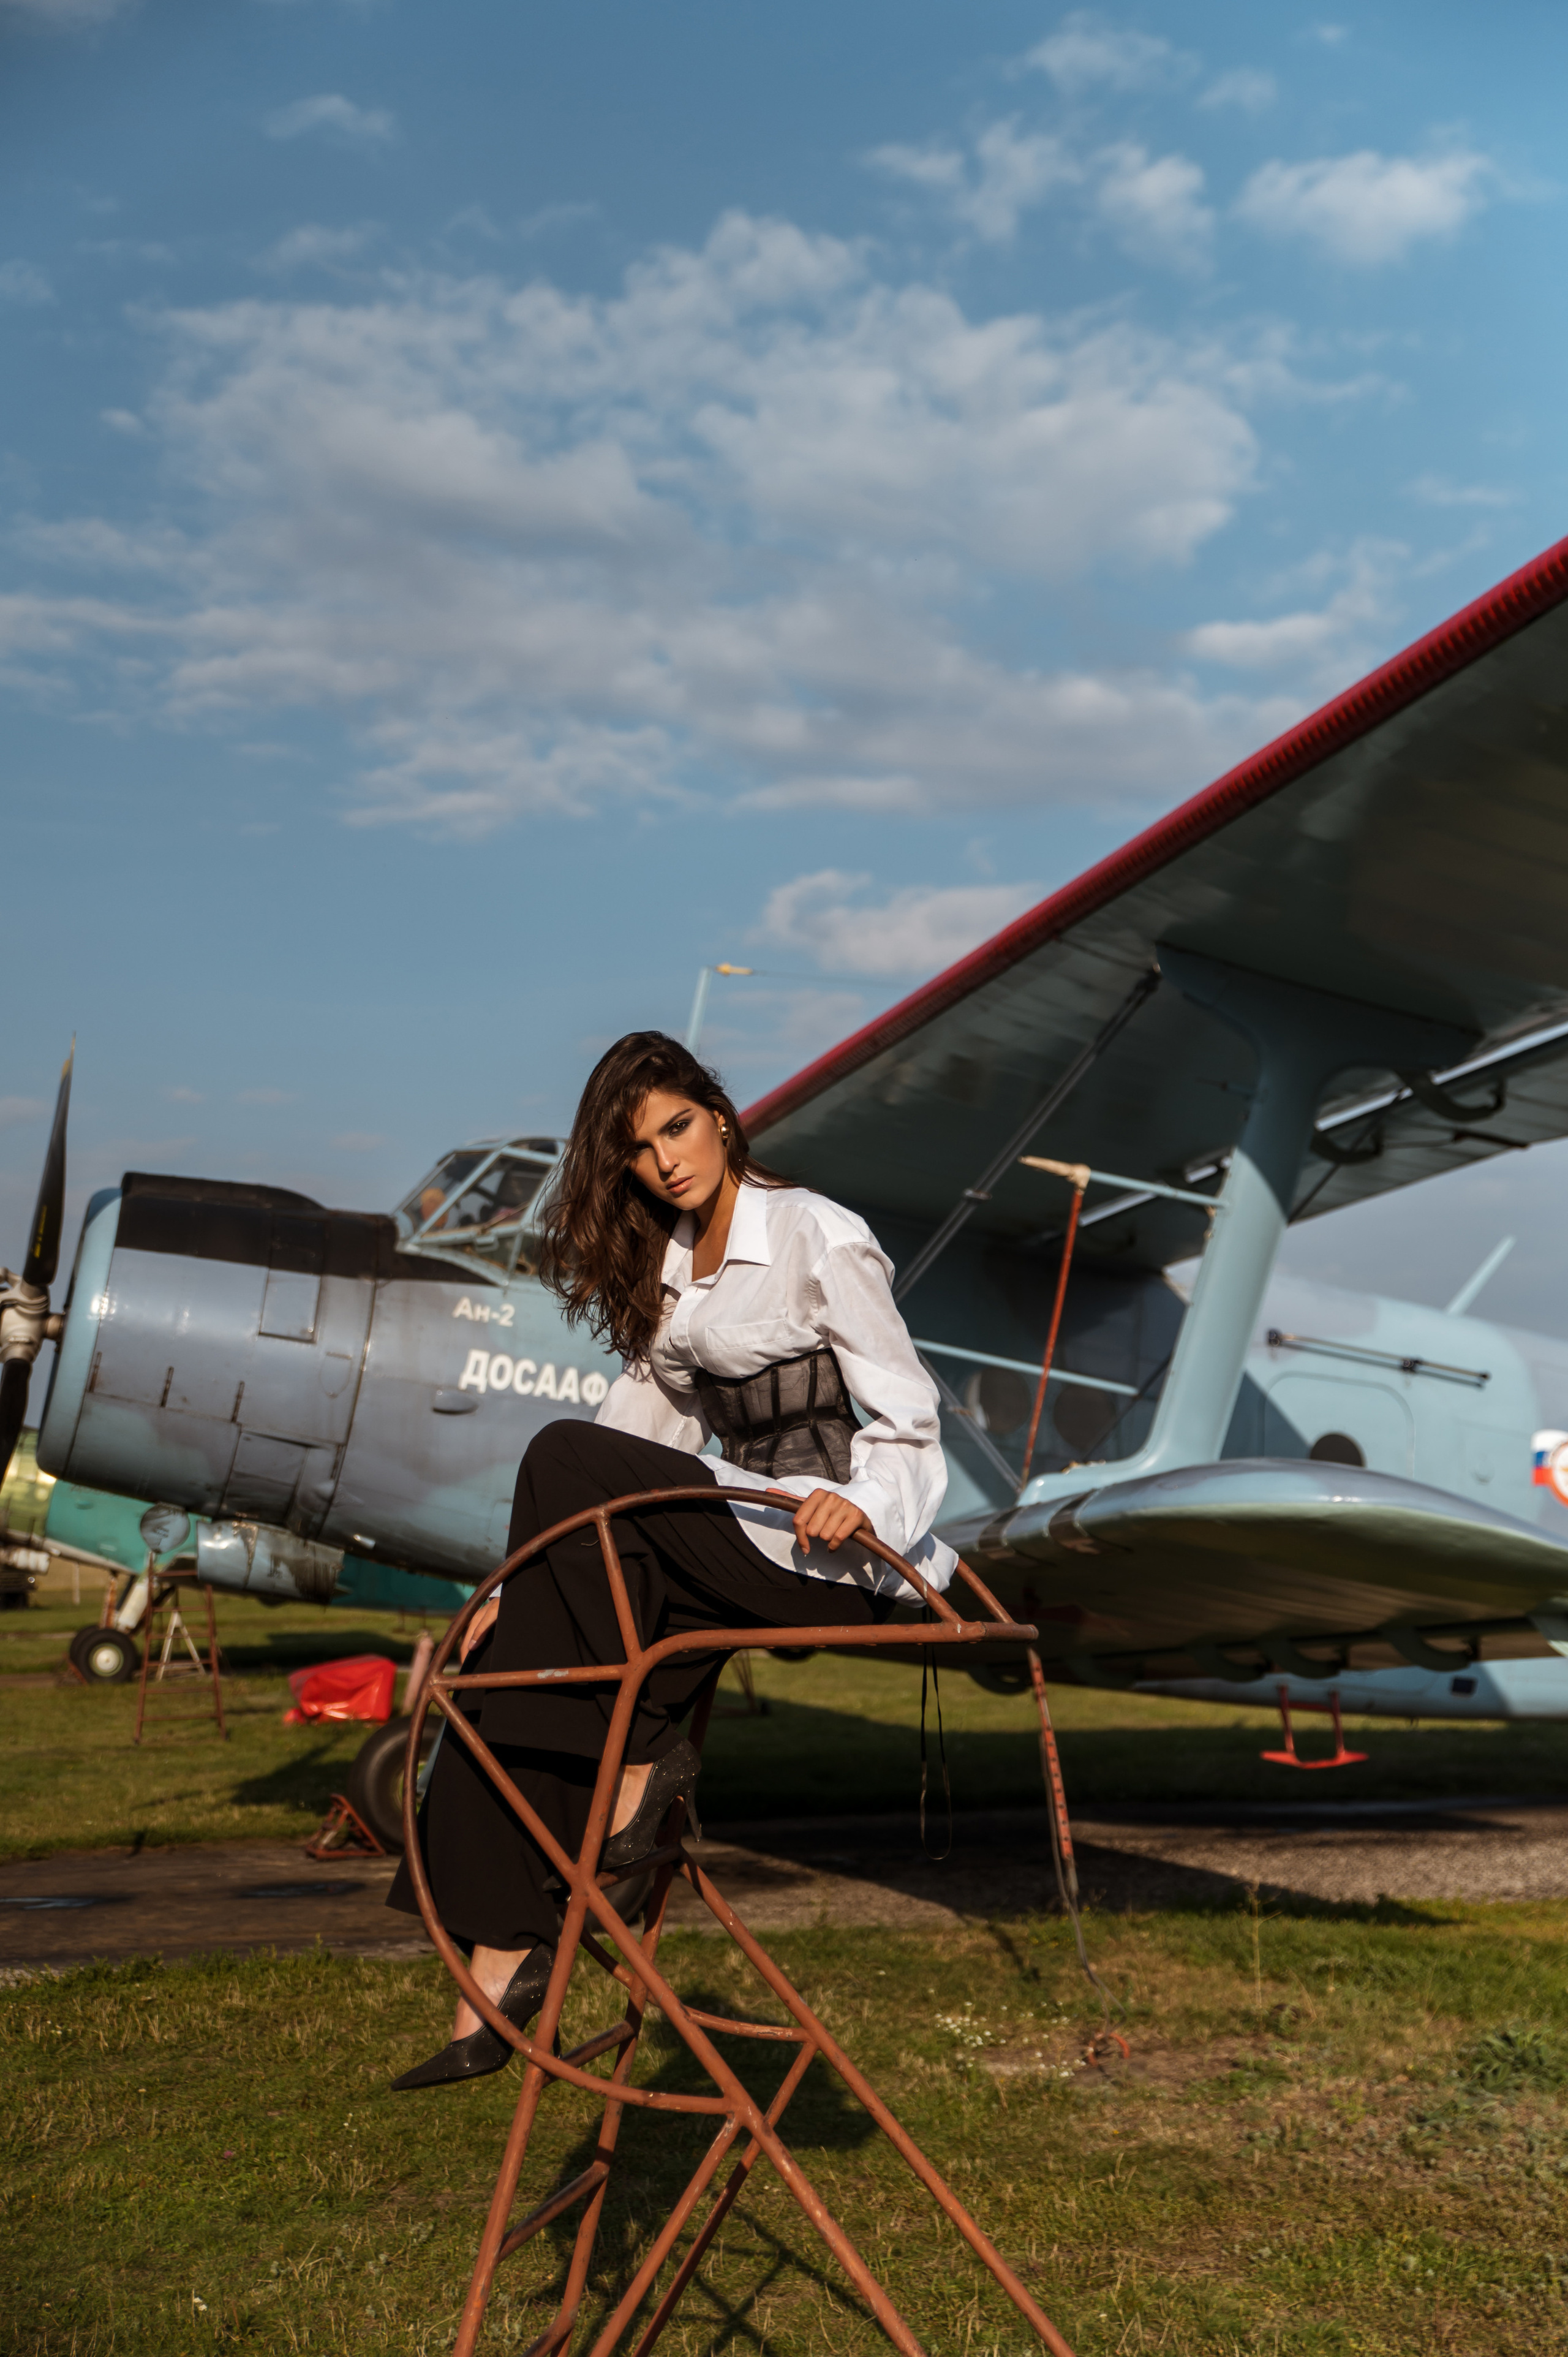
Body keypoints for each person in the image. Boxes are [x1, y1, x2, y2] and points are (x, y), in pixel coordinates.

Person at [386, 1030, 955, 2089]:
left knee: (558, 1459)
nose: (667, 1160)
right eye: (641, 1149)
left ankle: (643, 1755)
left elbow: (913, 1416)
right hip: (733, 1532)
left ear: (722, 1114)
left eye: (678, 1127)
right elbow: (639, 1430)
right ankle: (500, 1960)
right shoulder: (673, 1269)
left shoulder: (815, 1234)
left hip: (824, 1549)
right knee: (516, 1662)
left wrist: (860, 1502)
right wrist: (521, 1587)